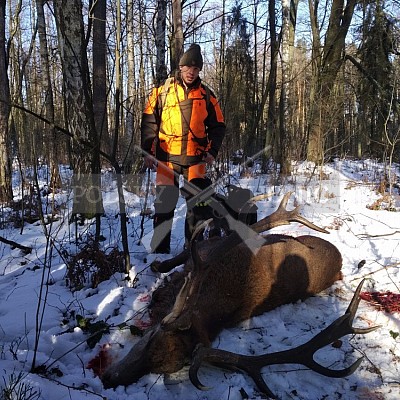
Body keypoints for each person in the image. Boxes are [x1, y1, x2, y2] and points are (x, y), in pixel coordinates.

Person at [141, 44, 226, 254]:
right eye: (188, 67)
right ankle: (159, 254)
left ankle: (193, 251)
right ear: (180, 67)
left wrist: (212, 152)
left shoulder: (207, 95)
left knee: (197, 209)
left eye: (196, 69)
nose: (191, 72)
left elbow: (219, 126)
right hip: (165, 158)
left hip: (195, 160)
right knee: (164, 206)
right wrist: (147, 151)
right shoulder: (162, 92)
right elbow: (148, 122)